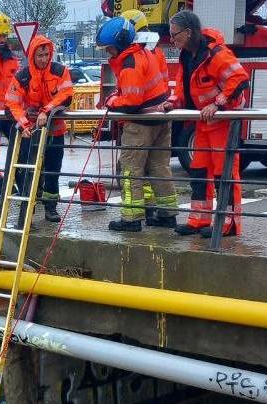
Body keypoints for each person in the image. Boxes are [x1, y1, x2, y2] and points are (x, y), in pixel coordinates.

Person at [162, 10, 250, 237]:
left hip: (222, 122)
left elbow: (239, 78)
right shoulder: (186, 56)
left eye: (175, 35)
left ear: (188, 32)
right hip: (203, 122)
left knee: (224, 174)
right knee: (199, 172)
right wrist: (173, 102)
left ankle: (228, 223)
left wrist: (218, 104)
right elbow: (183, 89)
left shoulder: (215, 54)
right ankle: (199, 220)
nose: (172, 40)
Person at [99, 17, 178, 232]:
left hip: (140, 125)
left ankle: (131, 218)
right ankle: (167, 214)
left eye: (110, 49)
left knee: (130, 171)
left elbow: (132, 102)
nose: (108, 53)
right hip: (159, 120)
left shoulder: (130, 63)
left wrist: (112, 100)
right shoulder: (146, 53)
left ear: (120, 44)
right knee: (160, 167)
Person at [5, 35, 74, 223]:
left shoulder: (60, 71)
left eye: (46, 54)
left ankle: (50, 207)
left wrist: (46, 111)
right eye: (40, 55)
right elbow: (11, 104)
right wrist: (23, 125)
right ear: (32, 57)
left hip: (54, 132)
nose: (44, 59)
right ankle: (29, 205)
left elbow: (66, 96)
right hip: (32, 133)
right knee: (27, 171)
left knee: (53, 171)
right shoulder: (23, 76)